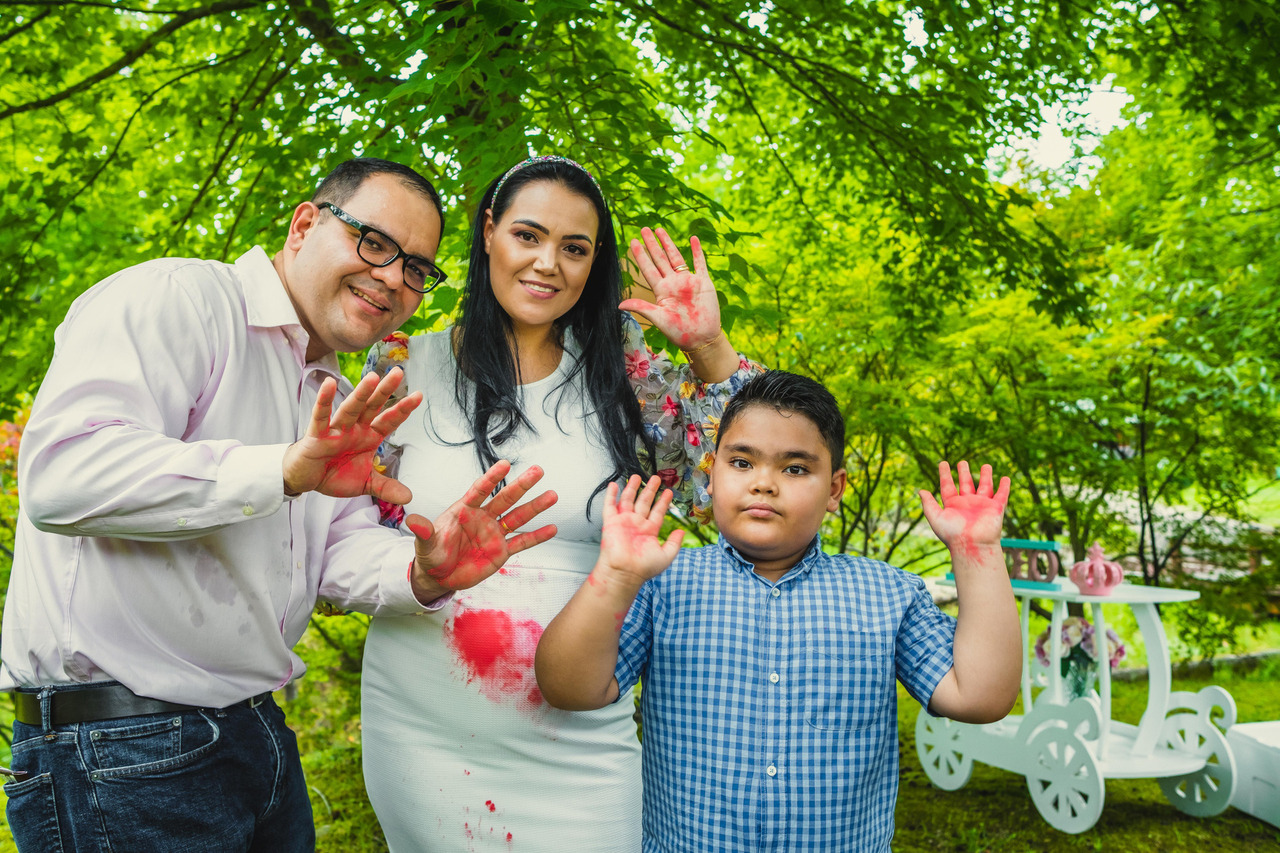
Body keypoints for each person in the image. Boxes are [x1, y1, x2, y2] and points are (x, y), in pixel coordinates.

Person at [0, 158, 558, 853]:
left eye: (417, 267)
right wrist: (281, 470)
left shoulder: (329, 385)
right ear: (304, 224)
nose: (392, 277)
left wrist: (426, 571)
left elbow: (336, 555)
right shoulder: (181, 299)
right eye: (375, 242)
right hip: (121, 746)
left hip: (254, 733)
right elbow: (63, 472)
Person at [358, 154, 763, 851]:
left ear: (594, 261)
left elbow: (733, 495)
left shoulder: (625, 380)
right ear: (488, 232)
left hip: (580, 736)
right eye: (528, 235)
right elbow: (342, 541)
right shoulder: (401, 367)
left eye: (574, 248)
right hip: (422, 728)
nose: (549, 263)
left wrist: (708, 346)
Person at [535, 370, 1023, 852]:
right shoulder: (660, 583)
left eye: (795, 468)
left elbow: (980, 697)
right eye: (742, 462)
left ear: (834, 490)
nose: (764, 483)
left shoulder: (889, 595)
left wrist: (976, 552)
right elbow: (568, 689)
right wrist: (614, 578)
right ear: (711, 472)